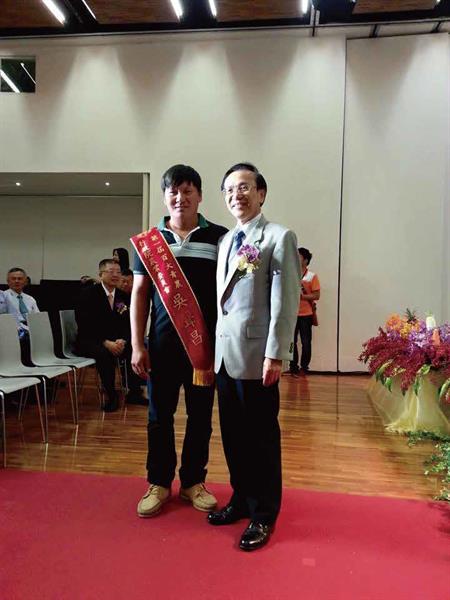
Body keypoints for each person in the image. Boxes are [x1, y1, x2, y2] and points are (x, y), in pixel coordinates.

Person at [208, 162, 301, 551]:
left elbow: (285, 300)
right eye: (229, 190)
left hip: (258, 355)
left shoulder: (278, 237)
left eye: (244, 187)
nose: (237, 195)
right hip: (225, 356)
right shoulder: (226, 241)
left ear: (261, 193)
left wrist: (276, 354)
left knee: (261, 438)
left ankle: (264, 513)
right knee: (233, 436)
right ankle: (241, 499)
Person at [130, 164, 227, 518]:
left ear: (199, 196)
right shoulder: (149, 242)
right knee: (159, 417)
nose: (180, 198)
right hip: (161, 348)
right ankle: (158, 482)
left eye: (187, 191)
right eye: (173, 191)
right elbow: (139, 294)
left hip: (203, 348)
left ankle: (192, 482)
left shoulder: (220, 238)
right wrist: (137, 345)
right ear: (164, 197)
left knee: (200, 417)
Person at [75, 259, 146, 412]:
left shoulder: (122, 296)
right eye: (111, 271)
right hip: (91, 340)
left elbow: (128, 323)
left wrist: (123, 340)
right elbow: (85, 323)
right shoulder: (88, 294)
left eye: (118, 272)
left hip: (116, 341)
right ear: (101, 274)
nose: (115, 275)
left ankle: (134, 392)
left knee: (135, 349)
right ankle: (112, 396)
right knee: (104, 353)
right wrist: (106, 342)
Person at [288, 247, 320, 375]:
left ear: (305, 260)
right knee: (292, 342)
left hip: (306, 314)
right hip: (292, 313)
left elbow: (317, 295)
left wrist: (303, 297)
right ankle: (293, 366)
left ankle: (304, 367)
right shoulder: (291, 275)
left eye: (299, 256)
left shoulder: (312, 276)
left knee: (306, 342)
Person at [4, 267, 40, 365]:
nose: (16, 281)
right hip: (12, 332)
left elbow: (37, 319)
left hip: (30, 330)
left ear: (25, 282)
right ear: (8, 281)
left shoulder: (30, 299)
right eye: (13, 278)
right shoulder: (3, 297)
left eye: (19, 279)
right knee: (25, 338)